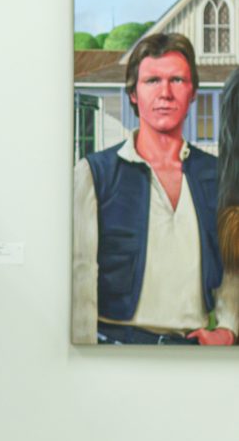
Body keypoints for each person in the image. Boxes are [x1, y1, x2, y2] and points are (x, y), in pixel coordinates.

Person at [72, 32, 238, 345]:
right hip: (116, 349)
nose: (165, 93)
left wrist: (228, 331)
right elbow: (80, 280)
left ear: (192, 93)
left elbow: (232, 271)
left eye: (177, 80)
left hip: (193, 353)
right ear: (133, 93)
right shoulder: (94, 175)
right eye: (152, 81)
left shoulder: (216, 175)